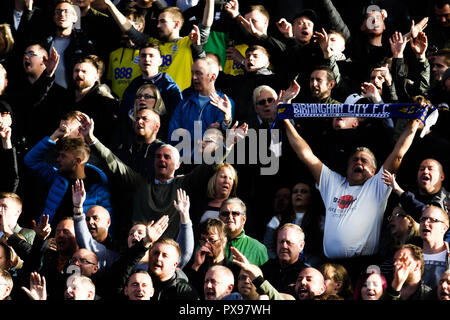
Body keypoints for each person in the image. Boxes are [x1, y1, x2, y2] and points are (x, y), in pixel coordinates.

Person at [283, 92, 423, 279]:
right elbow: (305, 155)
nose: (359, 162)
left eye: (365, 161)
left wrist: (414, 123)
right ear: (346, 167)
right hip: (331, 267)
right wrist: (284, 118)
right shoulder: (332, 182)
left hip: (363, 267)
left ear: (374, 171)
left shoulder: (377, 185)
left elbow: (398, 153)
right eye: (355, 160)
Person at [76, 111, 246, 240]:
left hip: (171, 252)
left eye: (167, 157)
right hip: (139, 247)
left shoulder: (184, 183)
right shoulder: (140, 182)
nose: (161, 160)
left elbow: (210, 165)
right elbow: (114, 163)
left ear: (178, 164)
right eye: (158, 156)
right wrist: (91, 139)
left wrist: (228, 144)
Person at [103, 0, 215, 91]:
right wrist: (109, 4)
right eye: (158, 21)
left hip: (178, 100)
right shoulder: (152, 44)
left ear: (176, 24)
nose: (158, 25)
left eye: (162, 21)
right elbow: (128, 29)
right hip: (155, 102)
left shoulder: (188, 42)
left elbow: (206, 24)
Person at [23, 121, 112, 231]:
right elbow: (30, 160)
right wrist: (54, 137)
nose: (58, 159)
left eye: (63, 156)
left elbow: (107, 224)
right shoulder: (57, 177)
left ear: (77, 161)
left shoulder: (98, 187)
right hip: (51, 239)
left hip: (81, 243)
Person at [168, 56, 235, 146]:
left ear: (212, 77)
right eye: (193, 73)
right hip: (184, 158)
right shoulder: (184, 103)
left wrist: (226, 119)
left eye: (199, 73)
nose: (194, 77)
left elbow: (221, 137)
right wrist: (204, 134)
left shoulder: (225, 103)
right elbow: (173, 136)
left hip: (211, 158)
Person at [183, 218, 239, 295]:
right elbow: (184, 290)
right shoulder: (196, 266)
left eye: (212, 240)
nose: (206, 245)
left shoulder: (234, 270)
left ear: (224, 241)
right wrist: (196, 266)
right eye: (203, 239)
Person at [261, 223, 308, 297]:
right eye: (281, 242)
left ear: (301, 246)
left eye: (289, 242)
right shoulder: (266, 268)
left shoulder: (305, 275)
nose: (284, 246)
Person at [219, 197, 268, 266]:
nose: (230, 217)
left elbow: (265, 276)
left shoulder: (258, 248)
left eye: (235, 213)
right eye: (225, 213)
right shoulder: (208, 242)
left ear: (244, 219)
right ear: (219, 218)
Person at [418, 205, 449, 289]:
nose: (425, 223)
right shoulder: (411, 256)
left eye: (432, 220)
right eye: (423, 219)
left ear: (444, 228)